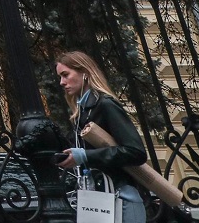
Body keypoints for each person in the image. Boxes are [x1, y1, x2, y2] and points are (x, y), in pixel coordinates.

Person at [54, 51, 148, 223]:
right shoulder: (81, 113)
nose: (62, 82)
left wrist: (84, 156)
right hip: (98, 201)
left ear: (85, 73)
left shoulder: (105, 105)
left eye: (65, 75)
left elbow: (136, 151)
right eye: (60, 77)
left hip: (121, 199)